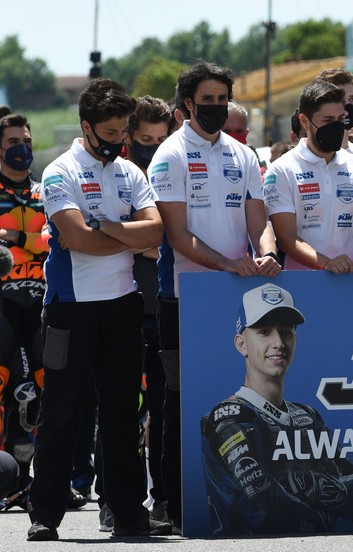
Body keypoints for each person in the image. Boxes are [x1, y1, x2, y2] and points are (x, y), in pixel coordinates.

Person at [27, 78, 169, 541]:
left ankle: (127, 513)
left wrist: (106, 226)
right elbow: (77, 241)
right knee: (62, 410)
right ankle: (44, 514)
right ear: (86, 127)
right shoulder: (59, 172)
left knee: (123, 411)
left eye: (123, 131)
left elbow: (155, 236)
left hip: (124, 305)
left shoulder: (130, 172)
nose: (119, 140)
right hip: (71, 308)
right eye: (109, 132)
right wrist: (126, 234)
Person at [149, 61, 282, 533]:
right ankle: (168, 499)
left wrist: (265, 252)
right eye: (208, 101)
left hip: (238, 295)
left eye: (223, 99)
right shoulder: (169, 155)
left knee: (236, 400)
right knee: (178, 400)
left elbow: (258, 220)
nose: (217, 108)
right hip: (182, 298)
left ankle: (244, 498)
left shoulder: (242, 155)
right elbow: (179, 237)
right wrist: (228, 264)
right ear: (187, 104)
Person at [200, 283, 353, 535]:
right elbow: (266, 510)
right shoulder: (228, 417)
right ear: (241, 344)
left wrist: (313, 487)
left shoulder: (307, 417)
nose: (278, 342)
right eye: (264, 332)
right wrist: (326, 495)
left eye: (286, 331)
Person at [264, 79, 353, 273]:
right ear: (305, 121)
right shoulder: (282, 169)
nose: (337, 127)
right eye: (328, 121)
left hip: (351, 280)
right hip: (302, 284)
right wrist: (326, 263)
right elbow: (286, 237)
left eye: (340, 120)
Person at [125, 95, 173, 522]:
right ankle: (116, 500)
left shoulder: (173, 169)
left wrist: (139, 241)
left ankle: (162, 497)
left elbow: (165, 240)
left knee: (162, 407)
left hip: (165, 305)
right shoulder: (117, 175)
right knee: (121, 406)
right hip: (120, 303)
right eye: (144, 138)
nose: (153, 146)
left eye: (161, 138)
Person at [0, 114, 49, 499]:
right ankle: (6, 477)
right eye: (14, 140)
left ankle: (38, 478)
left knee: (40, 390)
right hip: (2, 305)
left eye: (27, 141)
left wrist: (17, 236)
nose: (22, 148)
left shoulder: (45, 191)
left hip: (40, 303)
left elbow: (55, 240)